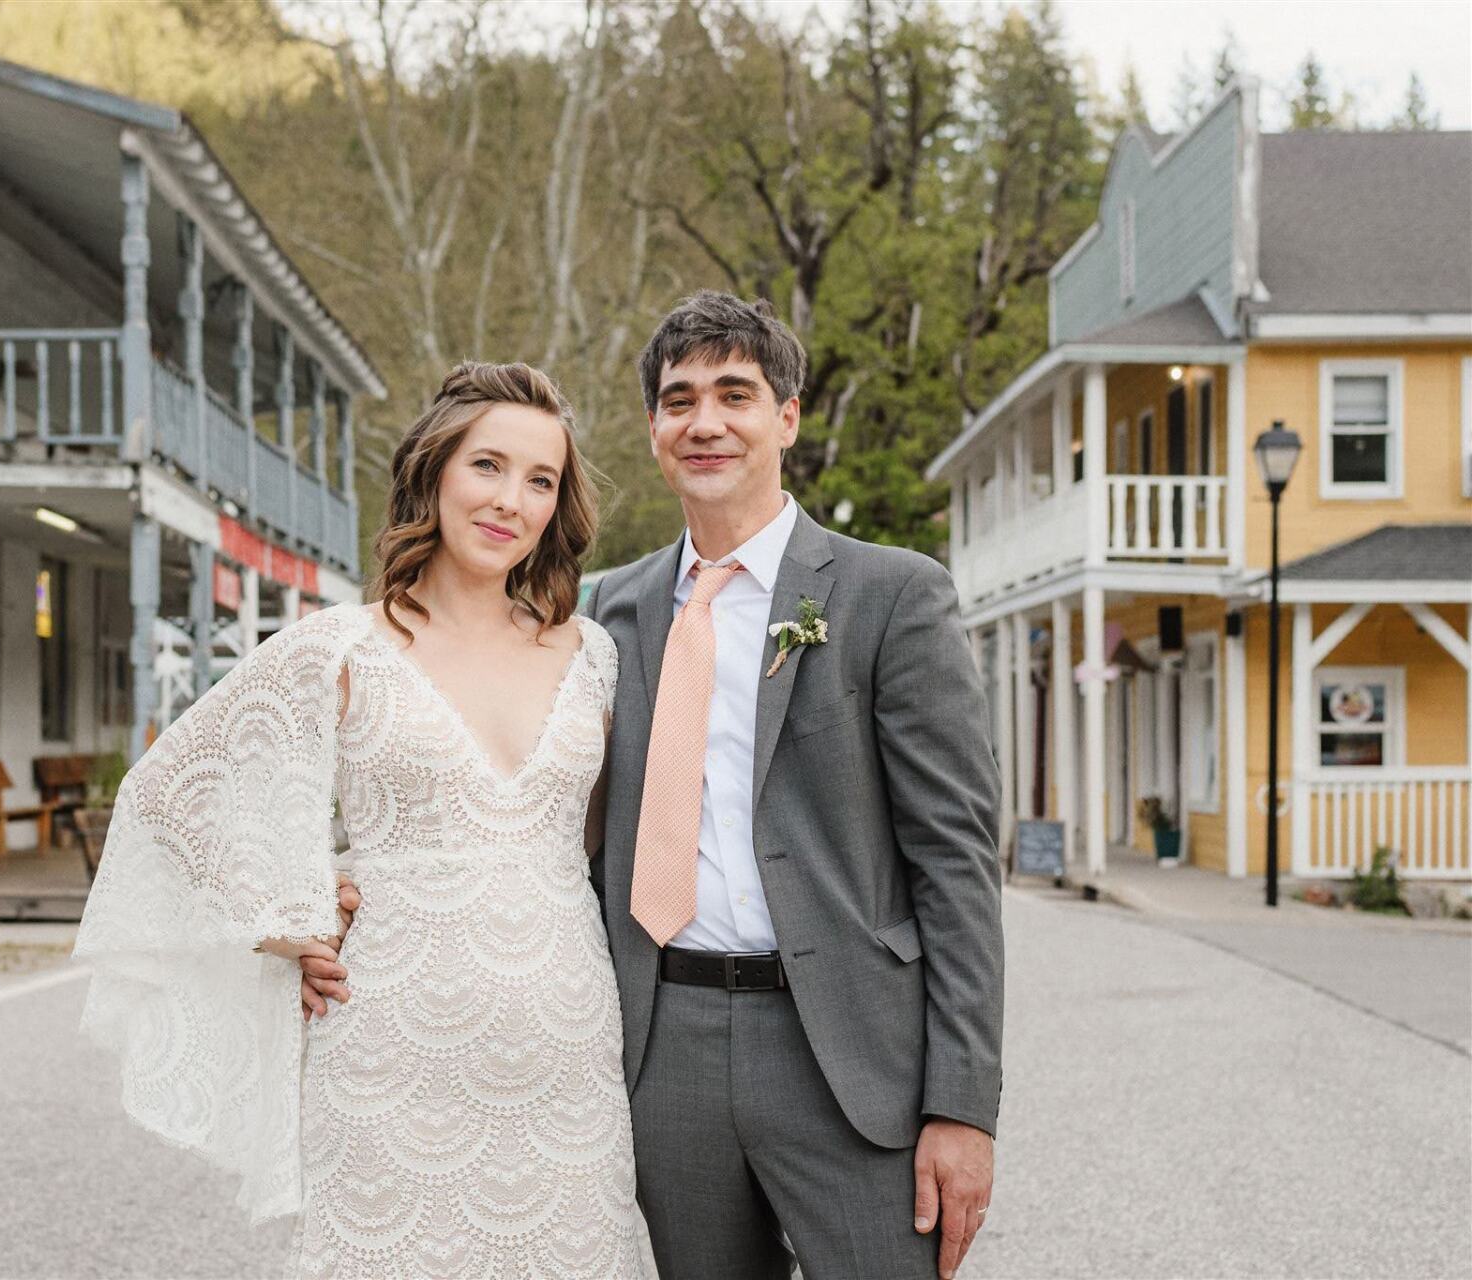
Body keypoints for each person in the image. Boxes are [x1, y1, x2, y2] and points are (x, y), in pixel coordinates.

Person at [321, 292, 1004, 1280]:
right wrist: (343, 888)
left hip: (850, 1055)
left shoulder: (889, 596)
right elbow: (505, 785)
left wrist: (963, 1102)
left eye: (736, 392)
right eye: (679, 400)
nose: (706, 421)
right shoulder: (608, 615)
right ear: (653, 431)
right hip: (659, 1047)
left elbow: (957, 863)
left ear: (789, 416)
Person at [71, 361, 647, 1278]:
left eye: (541, 480)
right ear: (434, 472)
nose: (511, 500)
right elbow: (169, 793)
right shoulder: (337, 647)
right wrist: (290, 918)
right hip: (387, 1050)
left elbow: (595, 841)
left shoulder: (598, 656)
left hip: (564, 1052)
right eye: (487, 466)